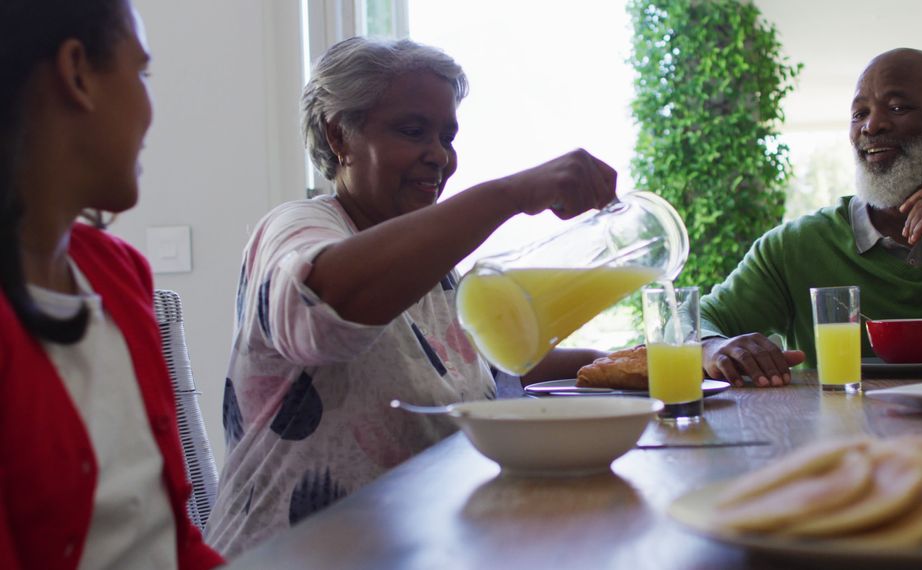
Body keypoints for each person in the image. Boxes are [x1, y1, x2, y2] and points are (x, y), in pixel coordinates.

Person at [204, 37, 615, 556]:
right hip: (292, 555)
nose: (439, 156)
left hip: (414, 546)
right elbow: (323, 310)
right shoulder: (298, 226)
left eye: (447, 136)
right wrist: (509, 195)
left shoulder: (432, 266)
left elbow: (492, 364)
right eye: (413, 131)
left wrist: (630, 363)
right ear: (340, 136)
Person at [0, 1, 224, 568]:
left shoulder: (121, 274)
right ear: (77, 72)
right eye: (141, 72)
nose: (151, 107)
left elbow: (173, 544)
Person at [699, 48, 922, 388]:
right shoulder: (793, 247)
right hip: (838, 440)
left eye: (898, 107)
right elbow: (691, 323)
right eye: (859, 114)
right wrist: (712, 347)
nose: (872, 126)